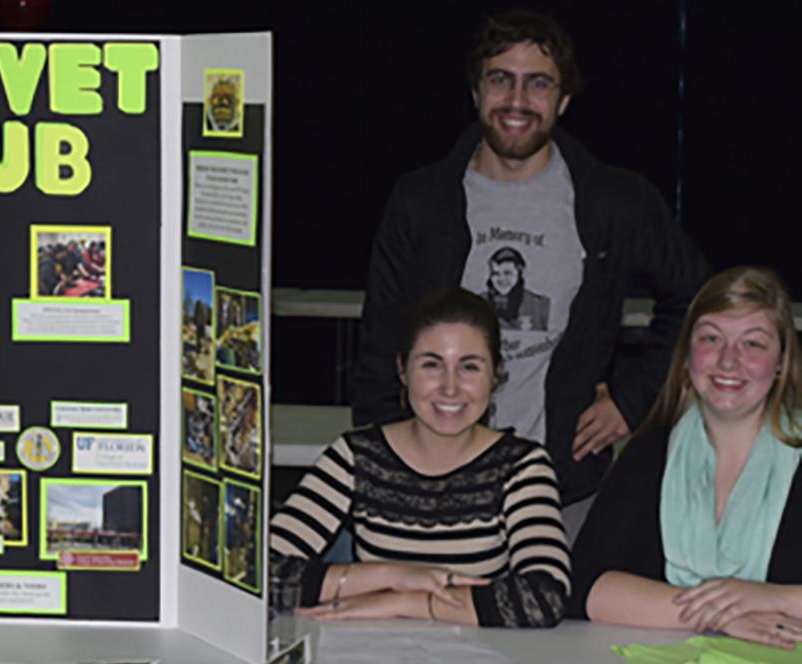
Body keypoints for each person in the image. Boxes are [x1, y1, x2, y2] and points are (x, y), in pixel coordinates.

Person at [353, 10, 710, 512]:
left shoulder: (614, 202)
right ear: (476, 93)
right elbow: (379, 347)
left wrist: (633, 401)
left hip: (560, 488)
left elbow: (699, 301)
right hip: (436, 486)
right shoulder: (420, 201)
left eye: (537, 84)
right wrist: (384, 474)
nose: (517, 101)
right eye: (500, 79)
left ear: (563, 101)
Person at [271, 288, 570, 627]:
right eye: (432, 364)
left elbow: (545, 597)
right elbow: (255, 570)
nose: (450, 388)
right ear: (403, 370)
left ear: (496, 374)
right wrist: (392, 575)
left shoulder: (523, 465)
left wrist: (404, 603)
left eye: (469, 367)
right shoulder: (357, 455)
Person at [568, 266, 802, 650]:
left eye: (753, 344)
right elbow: (586, 587)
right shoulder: (651, 451)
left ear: (780, 362)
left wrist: (772, 598)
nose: (728, 361)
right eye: (711, 338)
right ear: (686, 354)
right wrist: (726, 616)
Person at [484, 246, 550, 330]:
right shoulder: (478, 302)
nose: (501, 279)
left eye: (507, 273)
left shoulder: (540, 305)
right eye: (495, 274)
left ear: (520, 273)